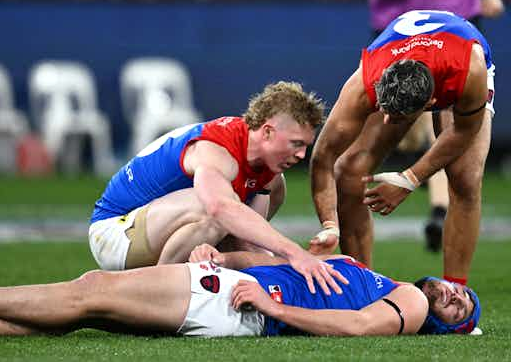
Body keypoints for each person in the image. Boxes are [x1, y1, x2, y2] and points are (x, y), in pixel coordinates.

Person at [0, 228, 480, 337]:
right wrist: (226, 255)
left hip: (239, 310)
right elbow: (276, 270)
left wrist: (274, 308)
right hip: (236, 293)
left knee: (92, 289)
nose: (453, 294)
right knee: (91, 312)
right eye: (459, 289)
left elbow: (354, 327)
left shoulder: (404, 305)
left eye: (460, 308)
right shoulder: (377, 276)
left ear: (446, 327)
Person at [90, 81, 347, 295]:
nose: (302, 155)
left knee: (248, 208)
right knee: (217, 209)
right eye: (296, 144)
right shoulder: (216, 149)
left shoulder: (268, 168)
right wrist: (292, 253)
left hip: (157, 228)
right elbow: (219, 208)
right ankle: (151, 294)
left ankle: (178, 285)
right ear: (267, 132)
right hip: (114, 233)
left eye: (305, 146)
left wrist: (295, 267)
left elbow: (248, 243)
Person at [308, 10, 495, 286]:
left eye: (398, 117)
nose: (387, 120)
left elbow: (464, 131)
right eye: (385, 111)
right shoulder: (365, 82)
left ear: (430, 103)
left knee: (465, 177)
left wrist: (410, 179)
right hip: (404, 55)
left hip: (456, 58)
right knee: (349, 171)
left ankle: (456, 293)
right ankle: (364, 287)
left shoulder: (470, 68)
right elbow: (322, 158)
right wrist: (329, 225)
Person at [366, 0, 505, 253]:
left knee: (444, 137)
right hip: (400, 28)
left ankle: (439, 210)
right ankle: (435, 191)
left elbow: (462, 132)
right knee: (409, 136)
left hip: (456, 25)